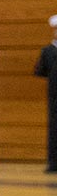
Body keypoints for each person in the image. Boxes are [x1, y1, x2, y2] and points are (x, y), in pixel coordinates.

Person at [36, 15, 57, 175]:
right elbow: (41, 71)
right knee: (54, 128)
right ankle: (53, 162)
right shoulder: (47, 51)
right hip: (54, 96)